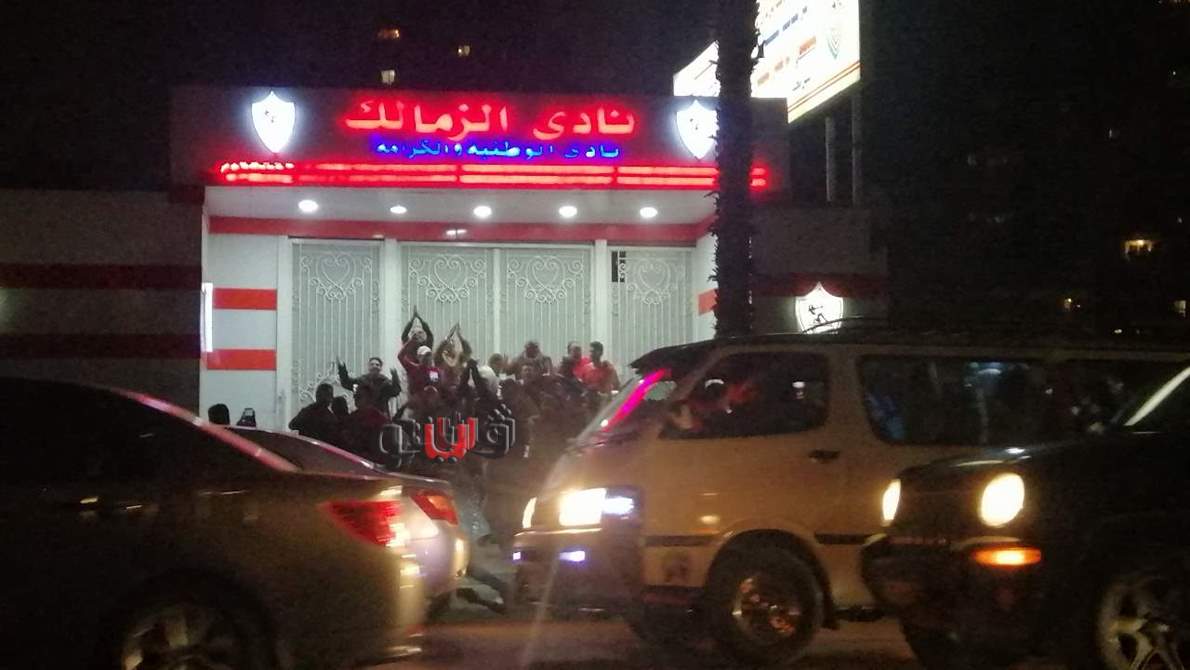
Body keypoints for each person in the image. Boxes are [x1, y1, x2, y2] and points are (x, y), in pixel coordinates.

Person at [342, 385, 388, 460]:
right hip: (350, 458)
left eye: (359, 396)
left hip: (370, 461)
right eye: (355, 396)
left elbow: (383, 446)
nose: (355, 399)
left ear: (369, 399)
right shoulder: (351, 417)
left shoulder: (379, 419)